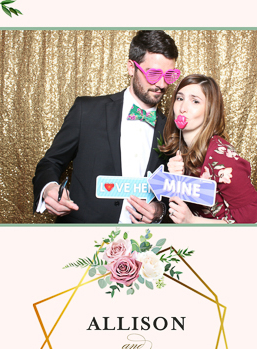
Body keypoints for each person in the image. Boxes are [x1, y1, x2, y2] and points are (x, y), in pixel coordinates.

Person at [33, 30, 179, 223]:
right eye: (153, 73)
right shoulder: (87, 110)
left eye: (169, 75)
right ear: (131, 67)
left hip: (142, 245)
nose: (161, 84)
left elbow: (174, 191)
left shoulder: (173, 129)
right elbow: (51, 162)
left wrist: (160, 210)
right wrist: (49, 188)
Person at [162, 74, 257, 224]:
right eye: (180, 98)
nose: (182, 108)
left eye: (195, 101)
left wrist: (192, 221)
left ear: (210, 111)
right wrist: (177, 181)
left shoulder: (221, 157)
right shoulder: (183, 153)